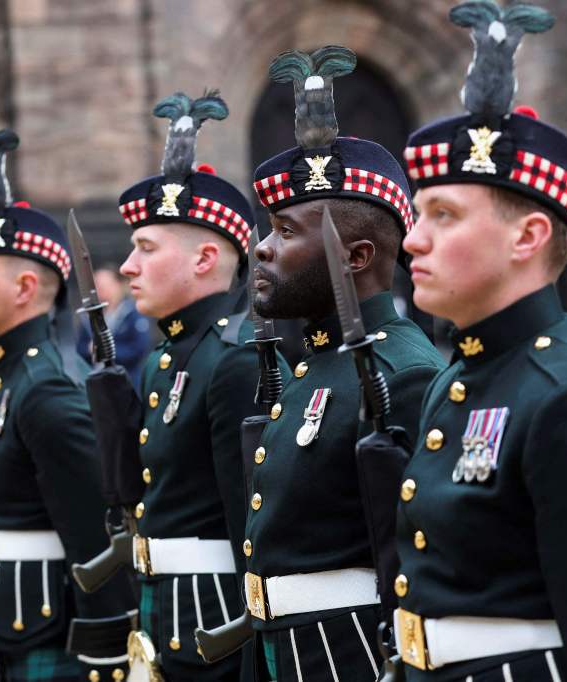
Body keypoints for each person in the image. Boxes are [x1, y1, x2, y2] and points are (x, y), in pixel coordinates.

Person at [391, 2, 567, 679]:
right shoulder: (456, 377)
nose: (413, 239)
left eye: (443, 214)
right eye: (416, 212)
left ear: (528, 237)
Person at [243, 45, 444, 681]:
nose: (262, 248)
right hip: (287, 650)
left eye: (285, 231)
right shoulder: (314, 364)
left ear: (356, 257)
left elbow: (413, 566)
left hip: (347, 656)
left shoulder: (403, 373)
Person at [0, 129, 135, 681]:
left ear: (25, 287)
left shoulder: (45, 390)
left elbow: (92, 540)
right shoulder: (15, 379)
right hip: (16, 622)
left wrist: (106, 656)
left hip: (52, 632)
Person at [112, 89, 284, 680]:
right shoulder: (167, 358)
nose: (128, 266)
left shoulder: (232, 362)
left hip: (213, 623)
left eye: (145, 248)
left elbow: (251, 524)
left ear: (205, 257)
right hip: (164, 609)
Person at [75, 265, 150, 388]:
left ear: (117, 285)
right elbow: (80, 348)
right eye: (96, 286)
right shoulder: (88, 317)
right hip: (97, 383)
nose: (100, 290)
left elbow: (138, 349)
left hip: (126, 382)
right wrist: (91, 350)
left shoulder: (132, 313)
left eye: (104, 286)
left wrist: (106, 351)